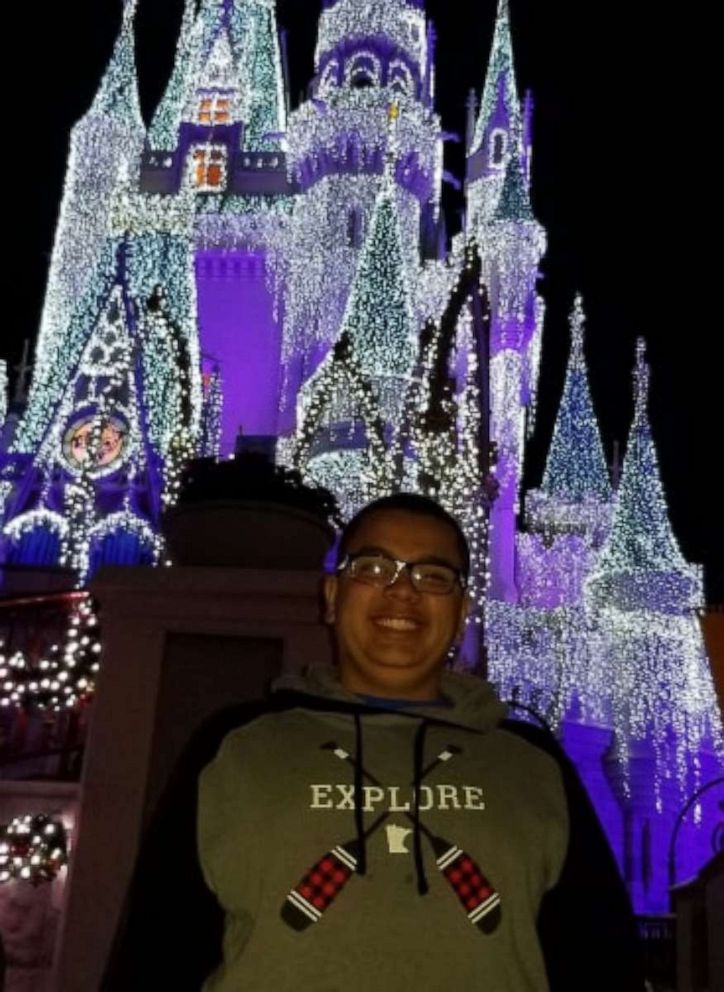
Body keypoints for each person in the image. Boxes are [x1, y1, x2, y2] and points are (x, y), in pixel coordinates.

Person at [105, 493, 645, 990]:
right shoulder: (234, 746)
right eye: (373, 567)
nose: (402, 590)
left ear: (461, 612)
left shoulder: (533, 764)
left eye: (433, 576)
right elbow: (155, 956)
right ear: (334, 595)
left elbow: (599, 963)